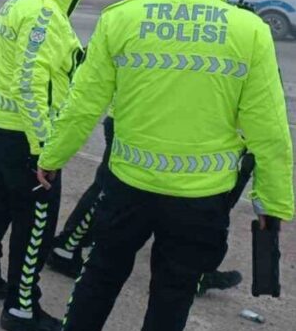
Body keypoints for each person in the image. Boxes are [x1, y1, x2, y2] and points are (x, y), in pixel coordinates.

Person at [32, 0, 293, 331]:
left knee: (100, 278)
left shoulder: (122, 17)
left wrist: (51, 158)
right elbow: (270, 132)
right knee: (171, 299)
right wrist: (273, 205)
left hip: (128, 187)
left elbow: (82, 105)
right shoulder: (249, 31)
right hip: (201, 201)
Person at [0, 0, 85, 331]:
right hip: (26, 134)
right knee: (36, 218)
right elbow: (30, 83)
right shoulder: (44, 13)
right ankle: (21, 307)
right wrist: (45, 150)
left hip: (2, 123)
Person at [46, 115, 245, 297]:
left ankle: (197, 271)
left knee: (112, 191)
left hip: (151, 121)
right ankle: (67, 246)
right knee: (109, 190)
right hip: (139, 121)